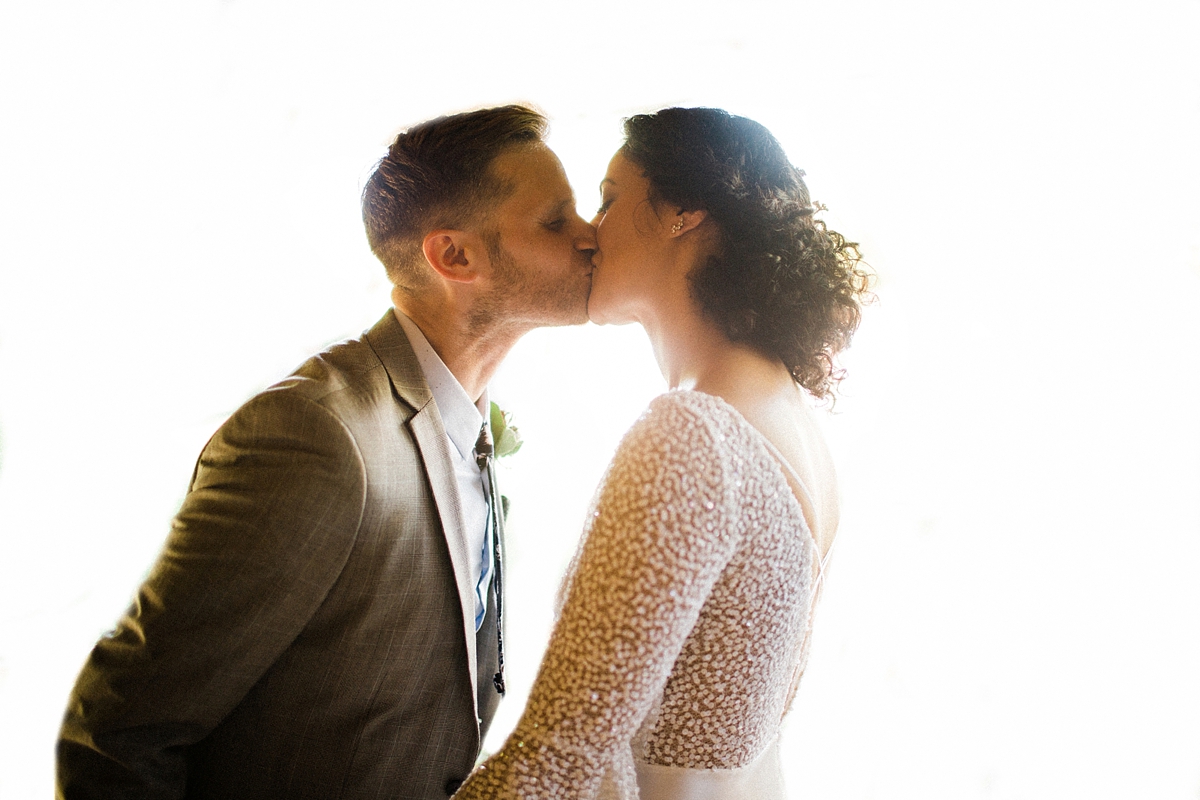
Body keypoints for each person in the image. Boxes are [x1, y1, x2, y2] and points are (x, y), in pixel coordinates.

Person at [55, 104, 597, 800]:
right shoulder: (314, 435)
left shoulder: (476, 427)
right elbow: (119, 732)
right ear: (453, 255)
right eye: (557, 221)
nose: (591, 239)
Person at [453, 107, 872, 799]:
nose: (590, 233)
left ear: (681, 212)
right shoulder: (789, 420)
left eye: (611, 199)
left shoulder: (696, 436)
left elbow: (554, 764)